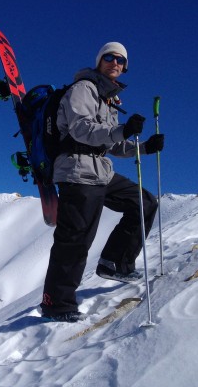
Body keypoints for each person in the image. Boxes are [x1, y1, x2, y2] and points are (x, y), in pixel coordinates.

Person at [40, 42, 164, 323]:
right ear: (99, 61)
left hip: (100, 171)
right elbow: (81, 129)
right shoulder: (83, 89)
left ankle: (115, 263)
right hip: (76, 170)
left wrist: (144, 147)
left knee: (143, 202)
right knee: (75, 238)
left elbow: (112, 145)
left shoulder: (108, 99)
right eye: (109, 57)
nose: (115, 63)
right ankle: (56, 303)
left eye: (121, 60)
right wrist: (121, 129)